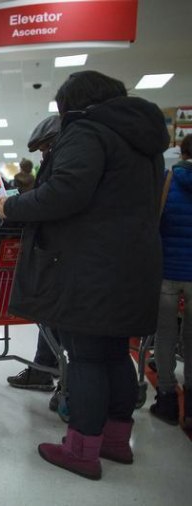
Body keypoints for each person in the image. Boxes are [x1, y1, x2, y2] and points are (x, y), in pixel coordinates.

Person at [0, 70, 168, 480]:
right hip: (134, 263)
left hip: (92, 266)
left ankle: (81, 449)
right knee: (114, 354)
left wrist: (11, 206)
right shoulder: (144, 142)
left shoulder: (88, 131)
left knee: (88, 357)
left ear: (74, 104)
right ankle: (114, 441)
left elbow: (65, 192)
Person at [6, 116, 62, 398]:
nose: (42, 155)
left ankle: (57, 375)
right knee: (53, 311)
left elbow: (50, 198)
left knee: (54, 310)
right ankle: (47, 369)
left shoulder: (70, 161)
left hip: (60, 251)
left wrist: (11, 205)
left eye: (45, 148)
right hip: (60, 250)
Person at [150, 133, 192, 429]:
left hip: (167, 271)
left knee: (164, 337)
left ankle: (166, 398)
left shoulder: (167, 181)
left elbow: (155, 222)